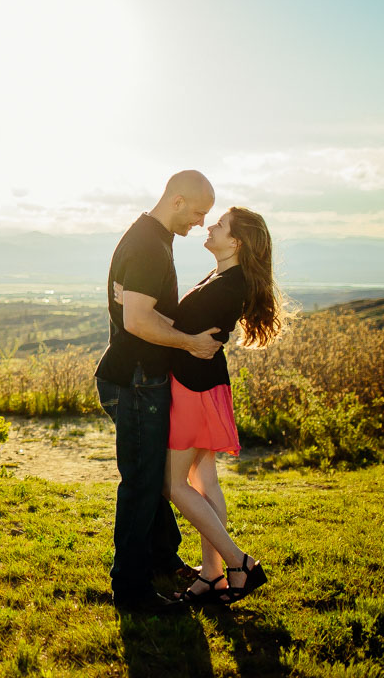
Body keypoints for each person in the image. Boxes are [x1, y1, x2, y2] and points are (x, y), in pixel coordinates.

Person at [95, 170, 223, 615]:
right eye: (198, 212)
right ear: (177, 200)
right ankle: (131, 591)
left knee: (151, 477)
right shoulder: (149, 245)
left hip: (136, 377)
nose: (201, 223)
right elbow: (137, 321)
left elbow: (144, 313)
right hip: (135, 381)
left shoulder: (149, 236)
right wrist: (191, 343)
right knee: (141, 484)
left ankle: (162, 559)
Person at [157, 206, 284, 605]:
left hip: (194, 389)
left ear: (236, 242)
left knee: (174, 484)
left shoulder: (229, 285)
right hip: (203, 385)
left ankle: (238, 563)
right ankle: (212, 576)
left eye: (220, 224)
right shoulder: (225, 277)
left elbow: (181, 329)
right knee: (203, 480)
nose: (210, 227)